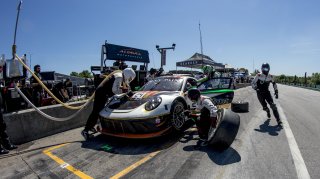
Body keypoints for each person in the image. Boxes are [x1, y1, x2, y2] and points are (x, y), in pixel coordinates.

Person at [81, 68, 136, 140]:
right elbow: (115, 90)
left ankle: (90, 127)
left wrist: (127, 90)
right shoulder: (119, 76)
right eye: (130, 78)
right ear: (128, 75)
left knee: (99, 111)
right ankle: (85, 130)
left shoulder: (121, 76)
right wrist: (124, 91)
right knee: (96, 111)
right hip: (101, 93)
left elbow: (125, 86)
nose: (130, 80)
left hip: (104, 94)